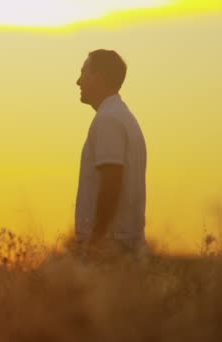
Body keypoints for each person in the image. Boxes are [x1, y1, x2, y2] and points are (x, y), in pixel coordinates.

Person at [74, 50, 147, 259]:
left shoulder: (108, 120)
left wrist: (96, 238)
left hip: (111, 246)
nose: (78, 81)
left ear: (98, 77)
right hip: (121, 244)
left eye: (84, 72)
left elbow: (112, 180)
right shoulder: (121, 117)